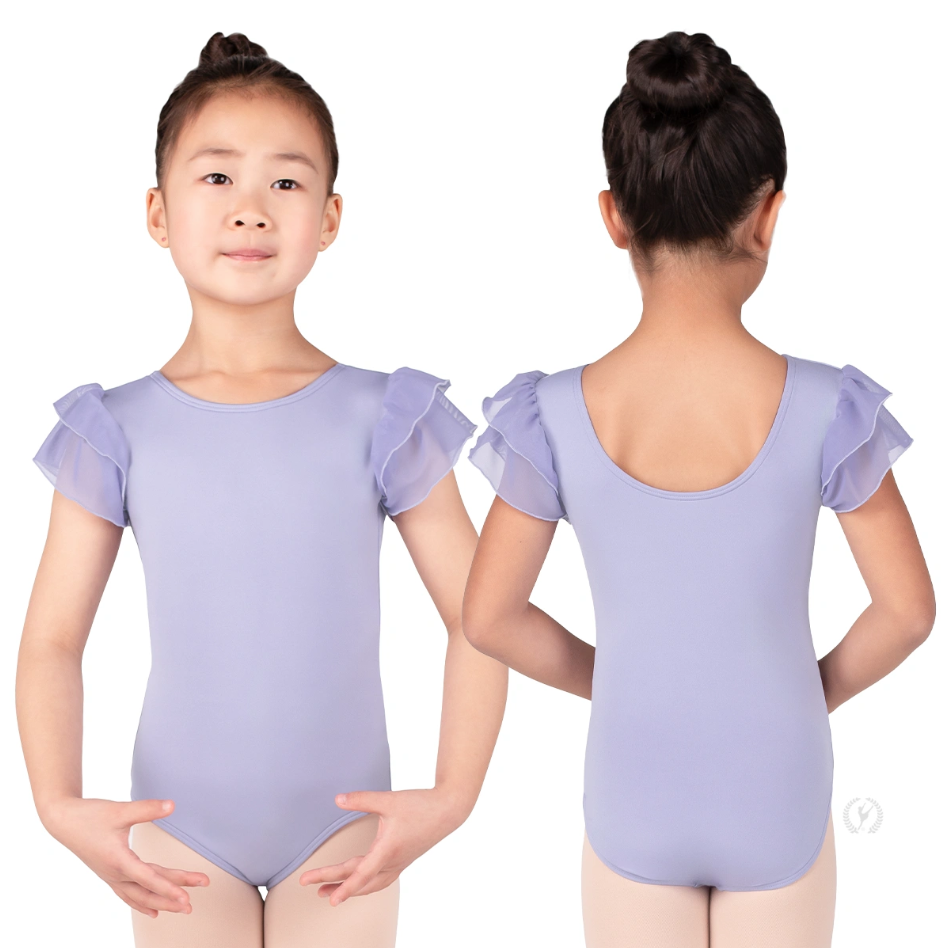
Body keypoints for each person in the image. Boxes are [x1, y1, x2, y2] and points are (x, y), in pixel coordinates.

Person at [16, 31, 507, 948]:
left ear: (329, 217)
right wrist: (57, 803)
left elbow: (481, 616)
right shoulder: (113, 429)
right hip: (176, 834)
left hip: (347, 831)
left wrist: (452, 796)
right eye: (217, 178)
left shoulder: (386, 415)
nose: (250, 211)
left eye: (285, 182)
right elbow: (51, 640)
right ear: (158, 213)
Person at [461, 30, 934, 948]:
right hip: (776, 781)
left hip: (634, 781)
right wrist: (806, 693)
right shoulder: (829, 408)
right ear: (768, 217)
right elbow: (908, 612)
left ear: (614, 217)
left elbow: (489, 618)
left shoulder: (551, 415)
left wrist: (614, 680)